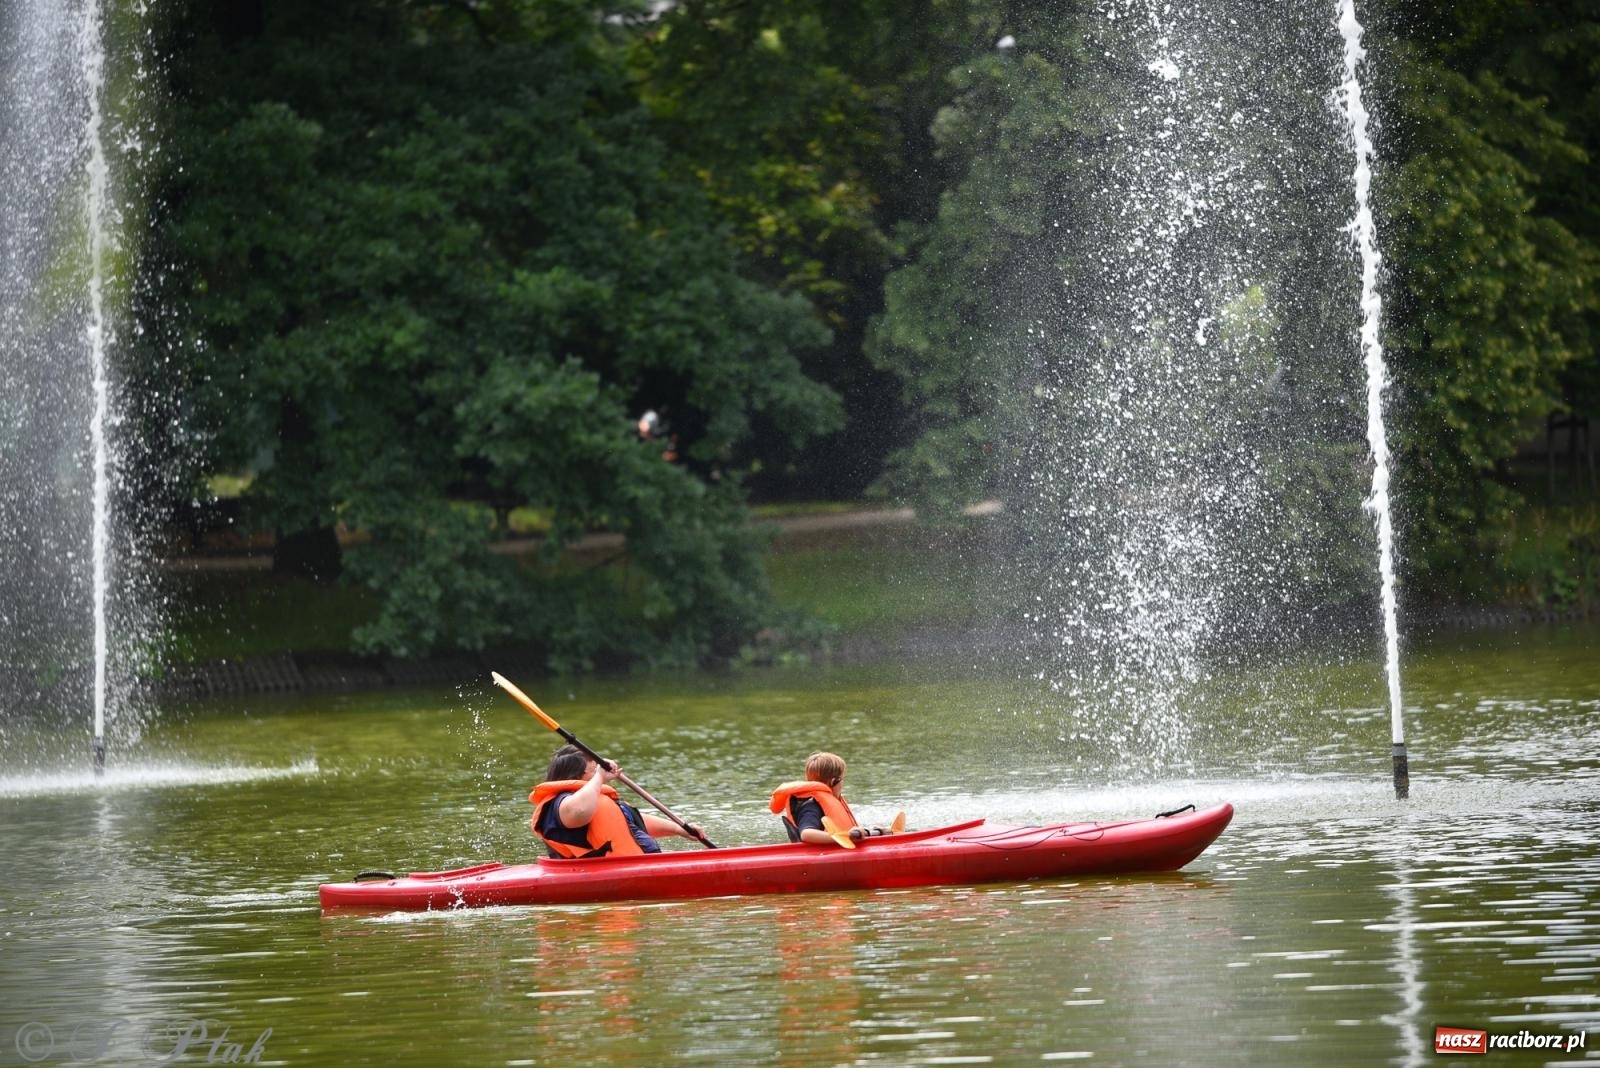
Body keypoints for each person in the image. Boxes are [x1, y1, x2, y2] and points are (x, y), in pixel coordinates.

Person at [530, 744, 701, 858]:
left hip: (641, 864)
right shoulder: (561, 804)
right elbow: (579, 812)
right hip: (596, 873)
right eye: (593, 770)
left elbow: (630, 823)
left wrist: (679, 829)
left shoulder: (594, 799)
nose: (599, 772)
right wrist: (599, 777)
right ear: (576, 776)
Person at [770, 751, 859, 845]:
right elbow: (806, 834)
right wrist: (844, 837)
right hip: (817, 855)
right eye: (842, 779)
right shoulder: (811, 806)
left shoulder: (821, 802)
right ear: (833, 782)